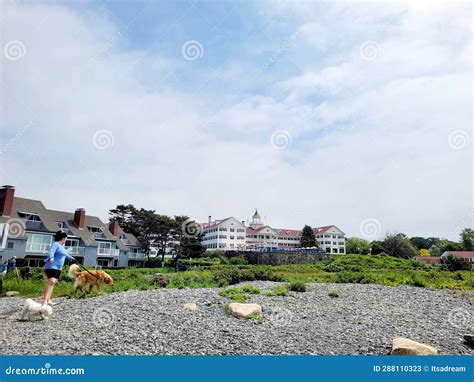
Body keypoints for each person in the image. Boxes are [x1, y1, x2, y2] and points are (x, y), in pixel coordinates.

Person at [42, 231, 76, 306]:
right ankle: (44, 301)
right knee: (51, 281)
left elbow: (66, 254)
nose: (66, 239)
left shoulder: (62, 247)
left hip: (58, 268)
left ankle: (48, 299)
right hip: (51, 266)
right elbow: (51, 252)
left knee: (53, 283)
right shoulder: (55, 244)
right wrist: (51, 257)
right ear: (63, 238)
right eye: (66, 238)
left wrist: (72, 258)